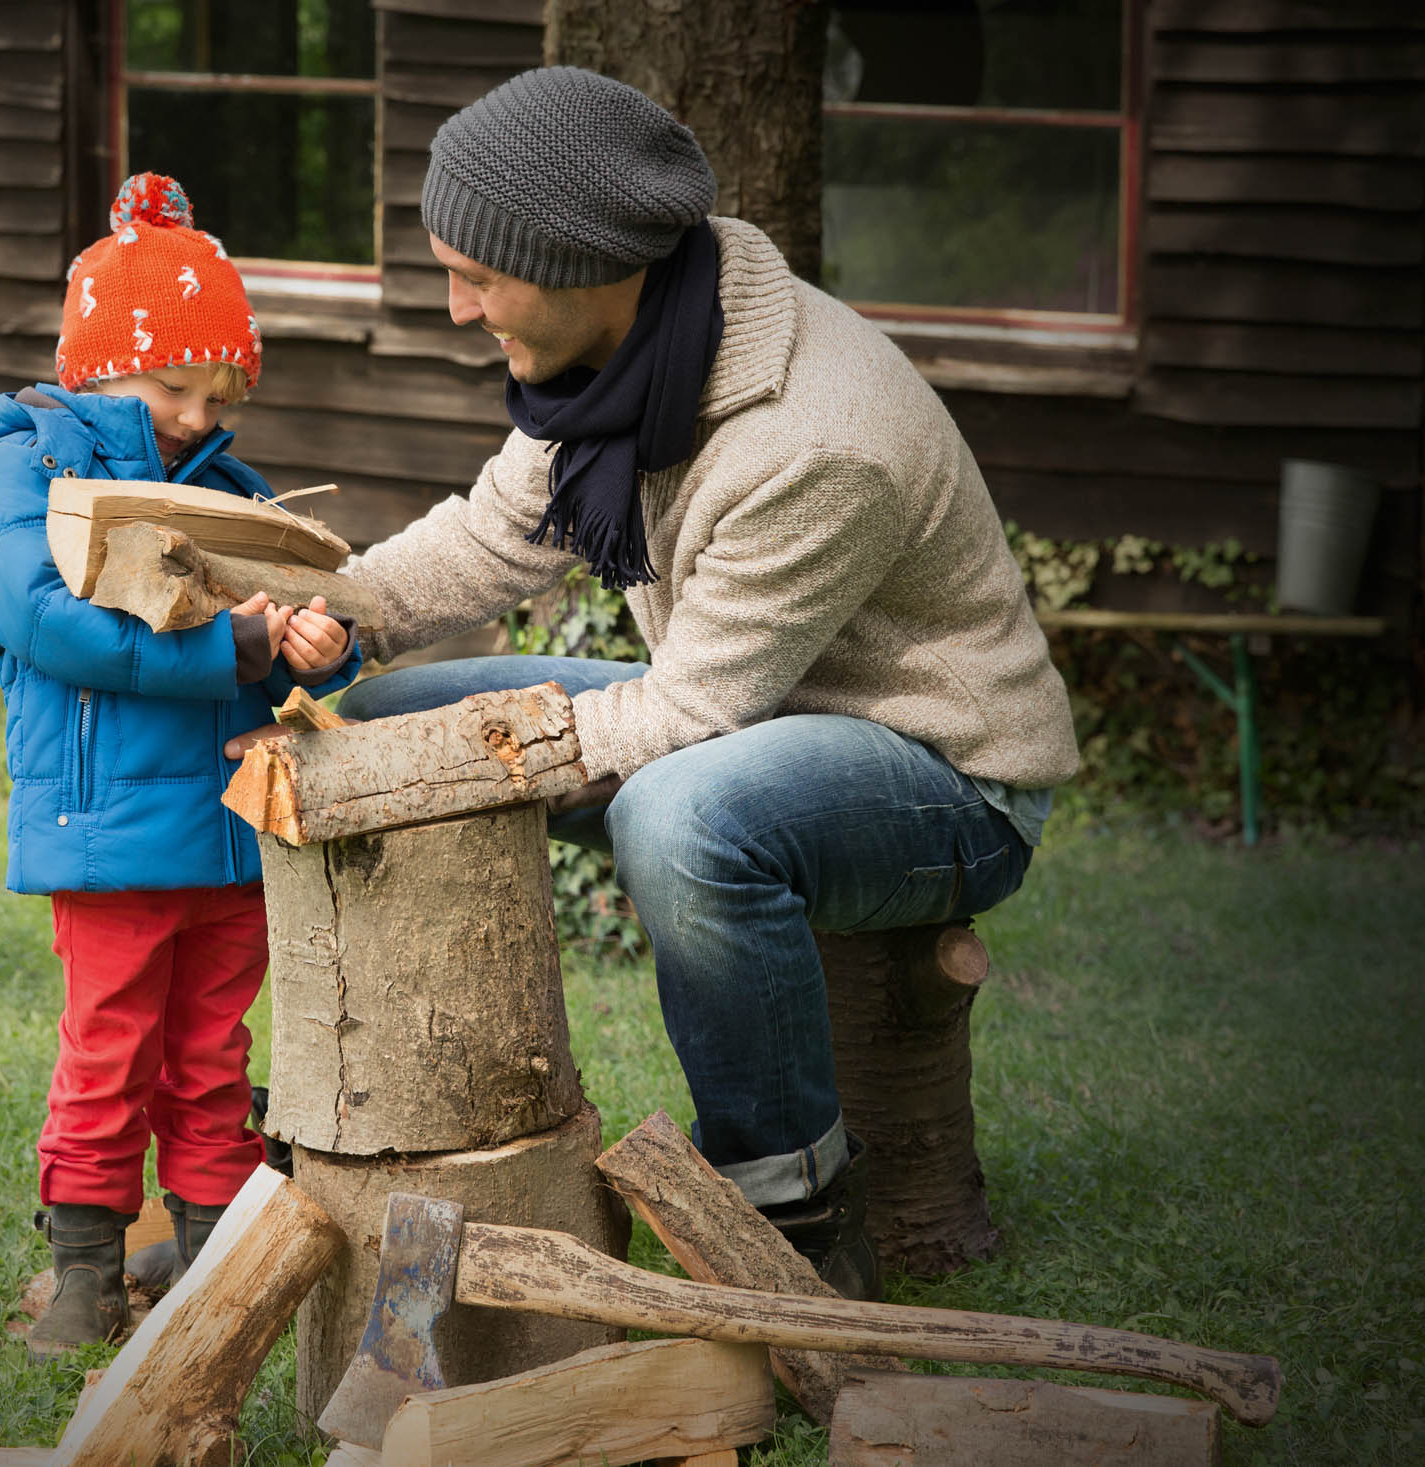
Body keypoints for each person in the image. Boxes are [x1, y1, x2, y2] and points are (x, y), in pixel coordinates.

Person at [249, 69, 1080, 1300]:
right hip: (753, 704)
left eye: (478, 277)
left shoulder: (813, 435)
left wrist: (458, 767)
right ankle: (391, 1118)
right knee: (370, 727)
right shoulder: (626, 351)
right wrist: (333, 611)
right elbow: (492, 538)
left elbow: (692, 719)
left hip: (940, 777)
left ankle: (788, 1219)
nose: (458, 308)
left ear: (584, 264)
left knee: (679, 817)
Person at [0, 172, 361, 1355]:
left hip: (222, 830)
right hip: (104, 832)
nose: (195, 413)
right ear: (99, 367)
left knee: (210, 1055)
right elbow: (40, 618)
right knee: (108, 1049)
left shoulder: (231, 493)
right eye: (173, 384)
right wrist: (229, 637)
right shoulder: (28, 464)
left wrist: (310, 647)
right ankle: (85, 1267)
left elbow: (272, 654)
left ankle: (204, 1255)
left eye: (219, 391)